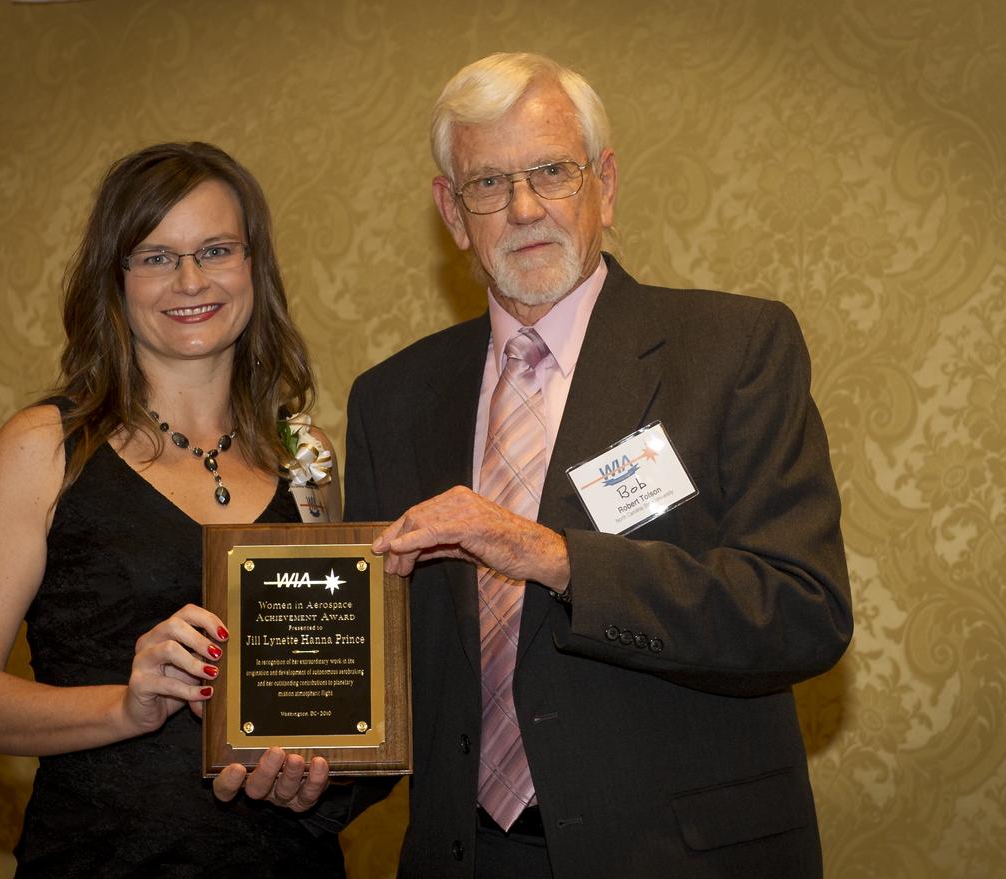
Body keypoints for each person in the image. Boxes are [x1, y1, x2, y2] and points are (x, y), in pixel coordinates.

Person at [343, 53, 853, 878]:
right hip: (468, 856)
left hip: (678, 857)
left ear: (605, 186)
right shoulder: (391, 399)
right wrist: (299, 765)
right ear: (451, 210)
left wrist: (554, 555)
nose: (522, 208)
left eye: (552, 171)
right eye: (488, 183)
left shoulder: (733, 351)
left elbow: (802, 611)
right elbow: (381, 666)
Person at [0, 142, 352, 876]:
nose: (190, 279)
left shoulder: (307, 458)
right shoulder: (47, 446)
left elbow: (321, 690)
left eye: (216, 249)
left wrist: (316, 769)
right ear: (114, 281)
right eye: (155, 256)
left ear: (254, 267)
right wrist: (126, 704)